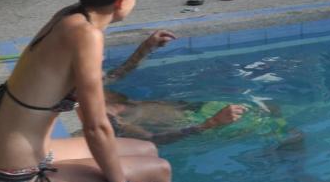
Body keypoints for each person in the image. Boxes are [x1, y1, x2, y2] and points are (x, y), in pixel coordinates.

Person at [0, 0, 174, 182]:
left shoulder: (71, 17)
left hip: (11, 160)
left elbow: (98, 88)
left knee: (147, 150)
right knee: (159, 171)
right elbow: (95, 128)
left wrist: (144, 49)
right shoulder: (87, 36)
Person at [99, 28, 250, 145]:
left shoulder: (95, 86)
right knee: (257, 128)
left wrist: (147, 47)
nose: (103, 57)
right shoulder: (104, 115)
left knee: (259, 110)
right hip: (196, 125)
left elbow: (120, 72)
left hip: (191, 108)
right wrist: (211, 123)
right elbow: (151, 140)